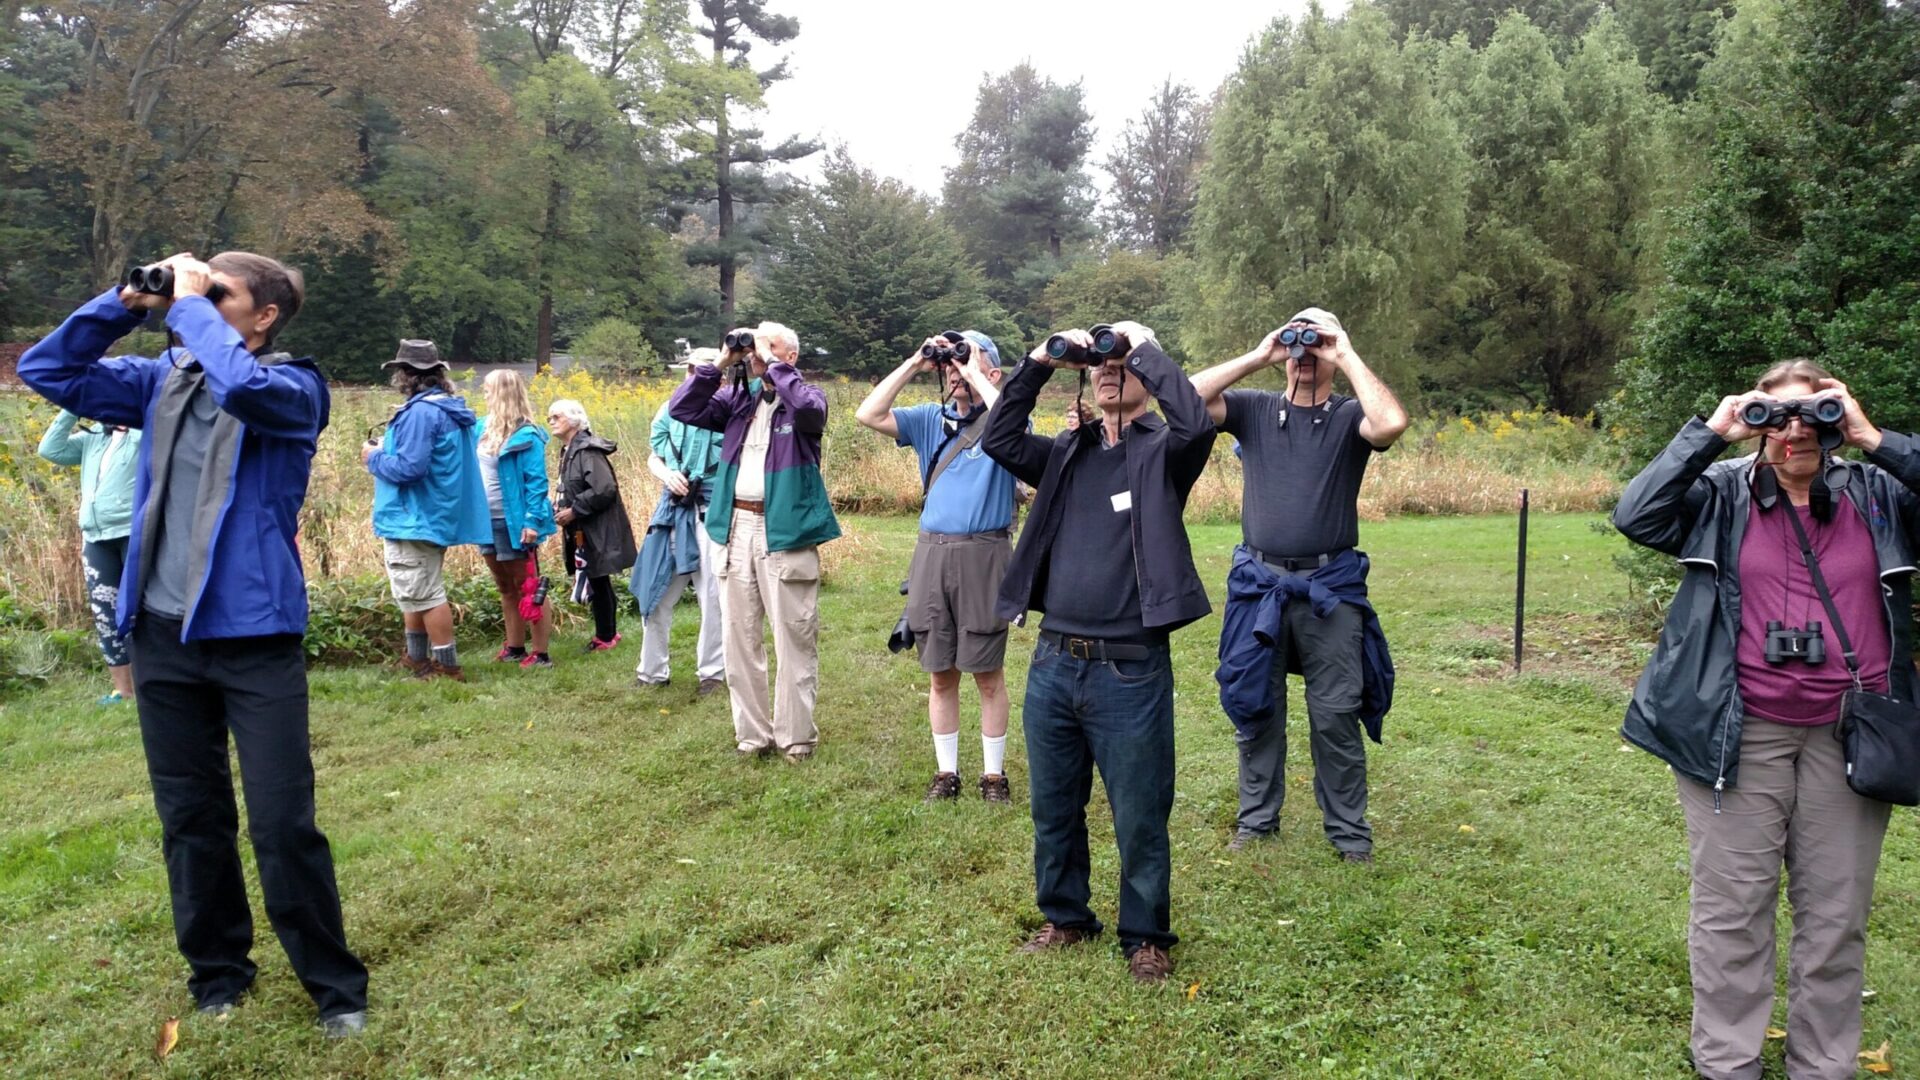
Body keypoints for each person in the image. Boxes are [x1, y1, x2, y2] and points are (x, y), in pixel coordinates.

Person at [17, 251, 368, 1036]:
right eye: (196, 289)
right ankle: (218, 976)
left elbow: (241, 386)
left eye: (219, 293)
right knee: (190, 816)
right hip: (163, 636)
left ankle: (336, 991)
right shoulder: (160, 384)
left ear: (264, 314)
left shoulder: (297, 388)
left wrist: (187, 306)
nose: (195, 300)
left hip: (254, 635)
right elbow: (48, 367)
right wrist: (123, 304)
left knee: (282, 823)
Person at [1614, 360, 1920, 1080]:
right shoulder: (1721, 494)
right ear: (1756, 427)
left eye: (1814, 414)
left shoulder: (1879, 495)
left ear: (1836, 420)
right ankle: (1727, 1062)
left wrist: (1875, 436)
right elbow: (1636, 514)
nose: (1795, 431)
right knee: (1732, 910)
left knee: (1835, 916)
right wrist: (1710, 433)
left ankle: (1823, 1065)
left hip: (1850, 733)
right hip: (1736, 728)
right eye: (1775, 416)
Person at [982, 320, 1216, 983]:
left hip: (1130, 670)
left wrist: (1142, 345)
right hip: (1054, 661)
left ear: (1144, 376)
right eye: (1101, 365)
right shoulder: (1065, 453)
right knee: (1053, 805)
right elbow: (998, 436)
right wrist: (1039, 361)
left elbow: (1198, 425)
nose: (1109, 371)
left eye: (1123, 365)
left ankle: (1146, 936)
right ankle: (1065, 917)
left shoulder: (1163, 451)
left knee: (1140, 811)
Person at [1190, 308, 1407, 861]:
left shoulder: (1350, 416)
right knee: (1255, 706)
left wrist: (1346, 351)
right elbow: (1184, 400)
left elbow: (1390, 424)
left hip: (1329, 586)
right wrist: (1262, 354)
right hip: (1259, 583)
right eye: (1298, 340)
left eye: (1316, 342)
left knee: (1335, 713)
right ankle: (1257, 824)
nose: (1305, 353)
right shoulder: (1255, 409)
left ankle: (1350, 836)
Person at [854, 330, 1017, 803]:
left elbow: (1010, 415)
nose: (955, 368)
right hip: (932, 551)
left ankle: (993, 776)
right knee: (939, 671)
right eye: (951, 361)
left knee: (987, 672)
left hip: (985, 552)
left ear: (993, 373)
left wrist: (975, 373)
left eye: (968, 359)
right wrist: (914, 363)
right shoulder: (930, 420)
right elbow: (868, 414)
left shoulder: (1004, 424)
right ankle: (947, 774)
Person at [670, 323, 841, 762]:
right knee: (739, 638)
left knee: (794, 636)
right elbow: (682, 408)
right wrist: (722, 363)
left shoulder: (807, 397)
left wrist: (775, 367)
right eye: (755, 344)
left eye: (770, 344)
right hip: (734, 528)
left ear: (792, 357)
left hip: (784, 532)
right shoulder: (736, 399)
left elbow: (808, 411)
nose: (758, 351)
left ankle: (796, 737)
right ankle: (752, 734)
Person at [362, 340, 490, 681]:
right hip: (432, 513)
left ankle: (446, 666)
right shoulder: (445, 408)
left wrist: (373, 457)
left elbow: (410, 469)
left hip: (414, 515)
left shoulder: (420, 413)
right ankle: (416, 658)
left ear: (407, 375)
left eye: (399, 372)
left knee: (426, 593)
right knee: (414, 590)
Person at [634, 350, 727, 695]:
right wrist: (667, 474)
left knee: (714, 598)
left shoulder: (728, 408)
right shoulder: (670, 406)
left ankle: (713, 674)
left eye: (703, 369)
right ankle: (652, 670)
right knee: (656, 591)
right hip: (672, 513)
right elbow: (653, 455)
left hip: (713, 515)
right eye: (691, 368)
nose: (695, 374)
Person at [38, 408, 143, 704]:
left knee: (143, 610)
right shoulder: (94, 437)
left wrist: (130, 420)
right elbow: (50, 449)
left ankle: (156, 683)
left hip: (132, 533)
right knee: (104, 614)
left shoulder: (143, 433)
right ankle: (123, 691)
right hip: (96, 537)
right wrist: (73, 407)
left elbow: (150, 447)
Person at [476, 368, 558, 668]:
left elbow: (537, 483)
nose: (483, 393)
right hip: (486, 521)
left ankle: (541, 653)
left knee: (529, 586)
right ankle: (515, 647)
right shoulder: (481, 428)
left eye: (487, 388)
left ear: (502, 393)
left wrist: (533, 522)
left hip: (513, 522)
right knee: (504, 586)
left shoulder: (527, 435)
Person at [548, 398, 637, 651]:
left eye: (557, 417)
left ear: (575, 420)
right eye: (549, 418)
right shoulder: (570, 449)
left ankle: (606, 636)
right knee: (597, 578)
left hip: (597, 527)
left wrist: (575, 510)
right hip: (585, 527)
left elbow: (604, 487)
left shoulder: (587, 450)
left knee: (598, 578)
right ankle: (607, 634)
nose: (551, 422)